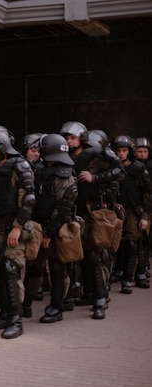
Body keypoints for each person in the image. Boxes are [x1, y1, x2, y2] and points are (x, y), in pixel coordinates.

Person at [62, 121, 124, 319]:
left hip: (90, 211)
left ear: (81, 138)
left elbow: (119, 170)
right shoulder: (64, 156)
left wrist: (95, 178)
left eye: (72, 137)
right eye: (66, 138)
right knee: (78, 257)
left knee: (93, 257)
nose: (68, 141)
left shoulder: (93, 155)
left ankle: (100, 298)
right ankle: (88, 293)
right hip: (72, 211)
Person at [0, 126, 35, 339]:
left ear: (2, 147)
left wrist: (17, 227)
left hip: (13, 226)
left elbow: (29, 198)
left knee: (10, 268)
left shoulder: (19, 165)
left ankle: (16, 319)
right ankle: (5, 314)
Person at [33, 134, 78, 323]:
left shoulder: (63, 175)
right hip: (46, 225)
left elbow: (62, 209)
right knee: (47, 266)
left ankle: (57, 307)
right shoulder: (47, 171)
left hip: (57, 228)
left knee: (58, 267)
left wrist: (50, 233)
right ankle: (62, 301)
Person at [111, 135, 152, 294]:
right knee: (115, 244)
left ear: (130, 151)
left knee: (133, 243)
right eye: (118, 151)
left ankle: (128, 279)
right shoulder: (113, 167)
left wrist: (145, 216)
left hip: (134, 210)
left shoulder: (137, 168)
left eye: (124, 150)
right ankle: (117, 273)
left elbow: (148, 192)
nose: (121, 154)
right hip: (115, 209)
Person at [20, 132, 48, 317]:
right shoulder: (18, 167)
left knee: (36, 265)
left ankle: (27, 302)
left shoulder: (44, 170)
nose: (35, 154)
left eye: (38, 151)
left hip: (38, 222)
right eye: (32, 150)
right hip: (19, 221)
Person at [133, 136, 152, 289]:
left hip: (148, 205)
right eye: (140, 151)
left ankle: (143, 267)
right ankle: (138, 271)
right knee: (138, 239)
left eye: (145, 151)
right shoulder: (134, 167)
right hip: (138, 206)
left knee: (146, 240)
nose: (143, 154)